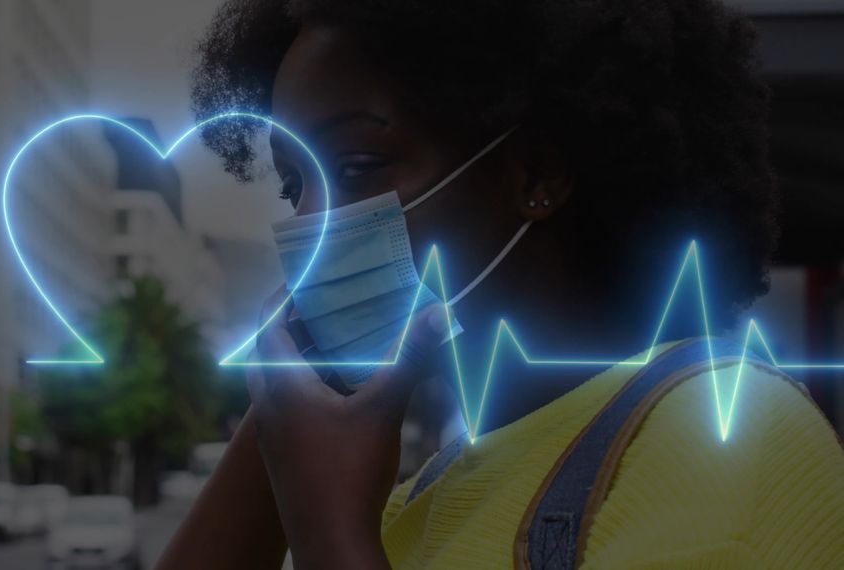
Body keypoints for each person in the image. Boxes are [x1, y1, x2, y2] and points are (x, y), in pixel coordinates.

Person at [157, 0, 844, 568]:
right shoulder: (428, 491)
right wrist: (279, 422)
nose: (307, 221)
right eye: (294, 183)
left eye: (358, 164)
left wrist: (331, 535)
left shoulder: (733, 443)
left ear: (534, 178)